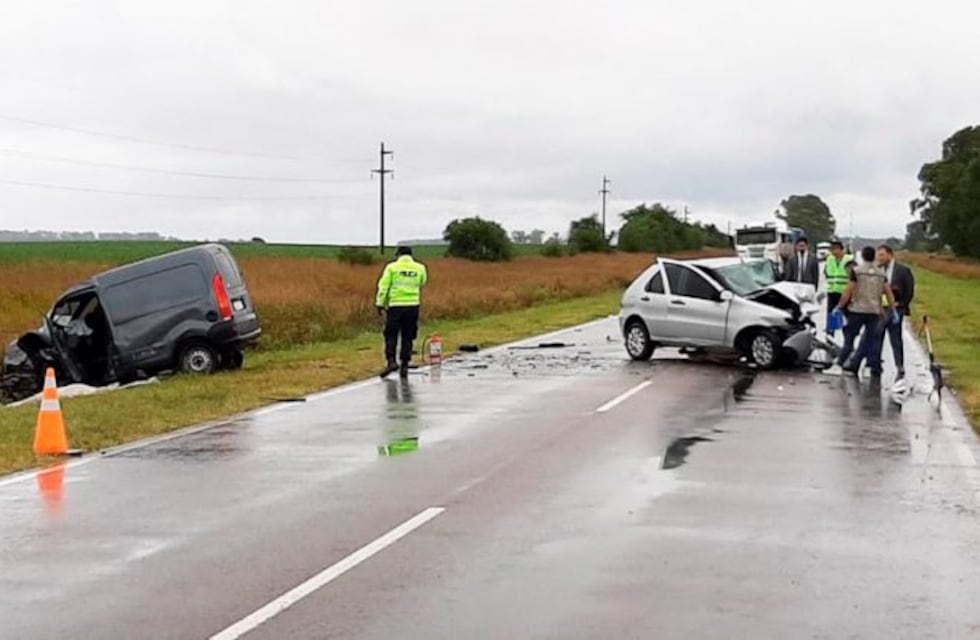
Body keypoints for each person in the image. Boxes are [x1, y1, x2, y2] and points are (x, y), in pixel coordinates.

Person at [831, 246, 897, 377]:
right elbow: (888, 293)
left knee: (849, 338)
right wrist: (893, 309)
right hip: (874, 311)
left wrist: (839, 306)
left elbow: (849, 290)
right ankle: (868, 368)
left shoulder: (857, 271)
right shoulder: (881, 273)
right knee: (872, 341)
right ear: (874, 256)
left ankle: (839, 364)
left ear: (862, 256)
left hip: (857, 309)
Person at [375, 246, 428, 379]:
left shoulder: (392, 268)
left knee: (391, 334)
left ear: (398, 254)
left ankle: (391, 361)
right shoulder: (420, 268)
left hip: (396, 306)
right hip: (413, 305)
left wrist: (380, 303)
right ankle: (404, 364)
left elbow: (384, 286)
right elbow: (423, 282)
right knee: (408, 335)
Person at [876, 245, 915, 381]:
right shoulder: (877, 270)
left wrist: (901, 304)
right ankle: (875, 364)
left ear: (890, 255)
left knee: (896, 339)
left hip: (895, 309)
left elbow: (909, 290)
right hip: (880, 309)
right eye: (878, 255)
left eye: (881, 255)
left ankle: (900, 366)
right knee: (877, 335)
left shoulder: (903, 271)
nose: (879, 258)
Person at [824, 240, 853, 337]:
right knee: (831, 317)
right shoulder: (829, 259)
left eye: (836, 249)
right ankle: (829, 338)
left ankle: (848, 341)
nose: (834, 252)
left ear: (842, 250)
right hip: (832, 292)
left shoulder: (849, 259)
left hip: (845, 293)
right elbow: (826, 272)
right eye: (832, 249)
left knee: (846, 318)